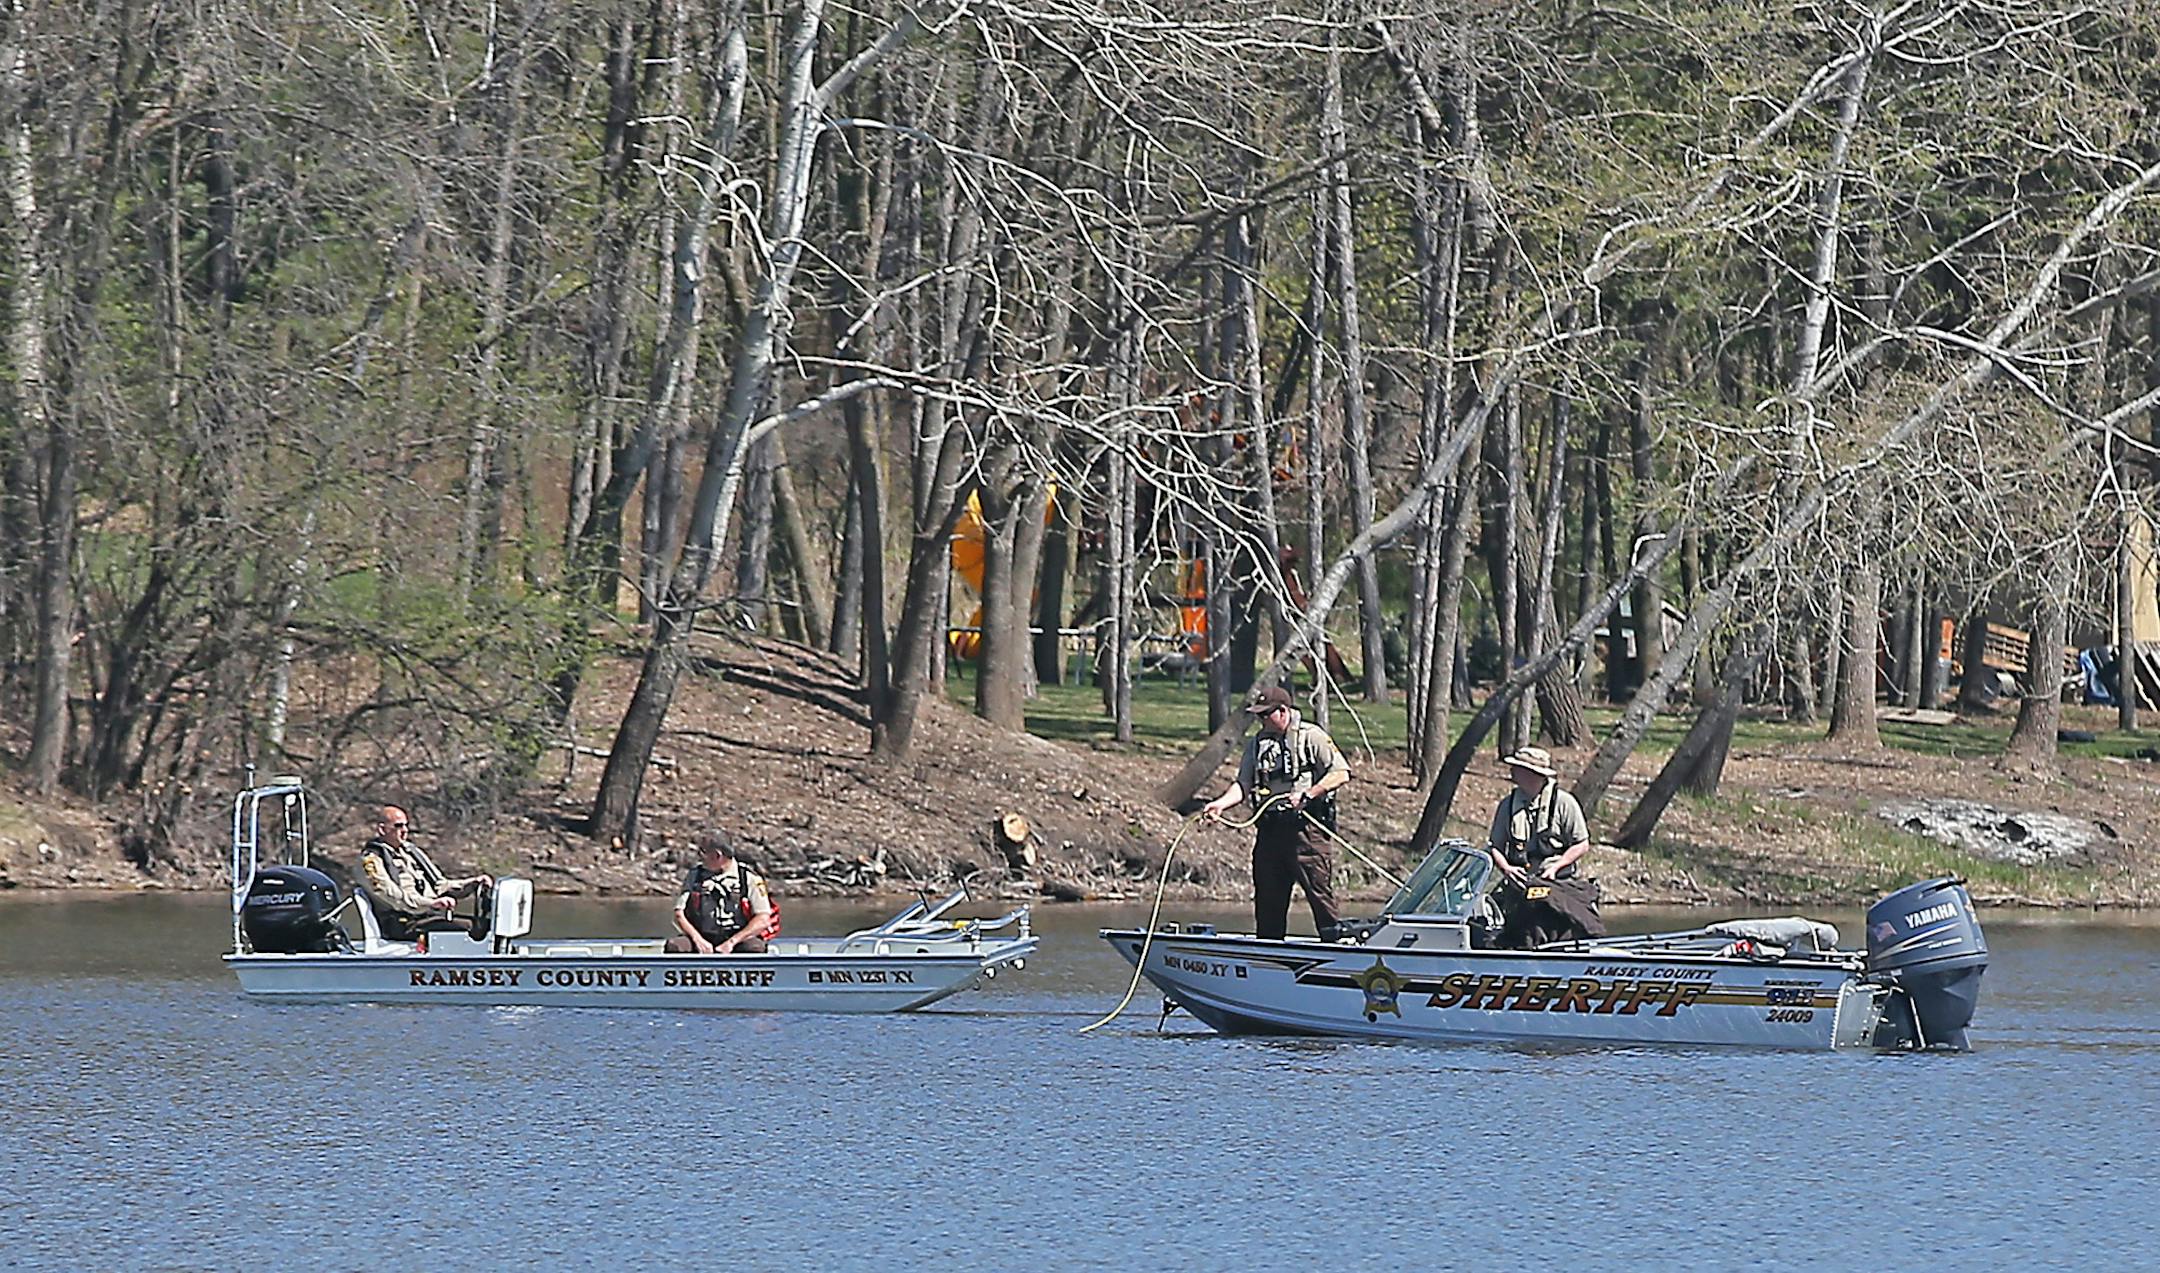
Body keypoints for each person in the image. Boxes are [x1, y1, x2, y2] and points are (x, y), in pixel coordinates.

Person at [1202, 685, 1351, 941]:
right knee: (1268, 898)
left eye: (1264, 714)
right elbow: (1243, 784)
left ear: (1282, 711)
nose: (1260, 720)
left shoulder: (1311, 736)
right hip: (1270, 832)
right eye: (1257, 715)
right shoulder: (1257, 744)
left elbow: (1340, 773)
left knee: (1318, 891)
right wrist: (1220, 804)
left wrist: (1310, 793)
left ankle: (1336, 943)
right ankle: (1269, 948)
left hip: (1306, 831)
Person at [1483, 747, 1602, 947]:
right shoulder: (1508, 804)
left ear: (1533, 774)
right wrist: (1507, 869)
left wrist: (1556, 867)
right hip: (1520, 886)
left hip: (1557, 884)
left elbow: (1582, 844)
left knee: (1547, 925)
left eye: (1518, 768)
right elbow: (1495, 846)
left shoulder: (1565, 803)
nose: (1512, 772)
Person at [357, 805, 493, 941]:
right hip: (403, 924)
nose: (404, 831)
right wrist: (430, 904)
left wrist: (473, 883)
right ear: (382, 829)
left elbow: (440, 885)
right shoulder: (371, 861)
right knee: (471, 928)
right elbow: (395, 898)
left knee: (486, 925)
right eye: (398, 826)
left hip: (427, 917)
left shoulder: (411, 852)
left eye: (406, 825)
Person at [666, 830, 778, 955]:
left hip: (737, 937)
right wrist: (697, 939)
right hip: (701, 935)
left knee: (754, 948)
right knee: (675, 946)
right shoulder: (694, 876)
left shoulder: (748, 878)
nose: (699, 857)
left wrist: (731, 942)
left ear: (717, 855)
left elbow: (763, 919)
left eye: (703, 852)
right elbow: (679, 914)